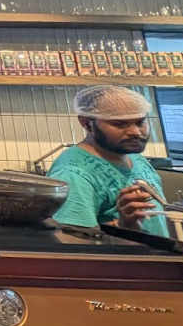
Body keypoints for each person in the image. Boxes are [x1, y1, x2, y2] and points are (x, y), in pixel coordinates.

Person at [48, 85, 168, 237]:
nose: (136, 132)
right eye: (119, 124)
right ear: (86, 123)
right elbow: (76, 243)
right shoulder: (73, 175)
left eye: (140, 122)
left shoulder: (133, 157)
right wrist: (122, 225)